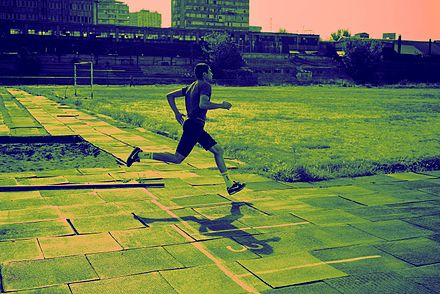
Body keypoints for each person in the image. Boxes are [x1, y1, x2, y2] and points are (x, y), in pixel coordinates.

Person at [127, 63, 246, 196]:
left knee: (177, 158)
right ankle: (230, 185)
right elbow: (203, 104)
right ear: (204, 74)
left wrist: (177, 113)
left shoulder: (190, 87)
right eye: (210, 71)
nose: (212, 74)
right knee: (218, 150)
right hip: (195, 125)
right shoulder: (205, 85)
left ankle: (139, 155)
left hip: (190, 125)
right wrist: (221, 105)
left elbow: (169, 96)